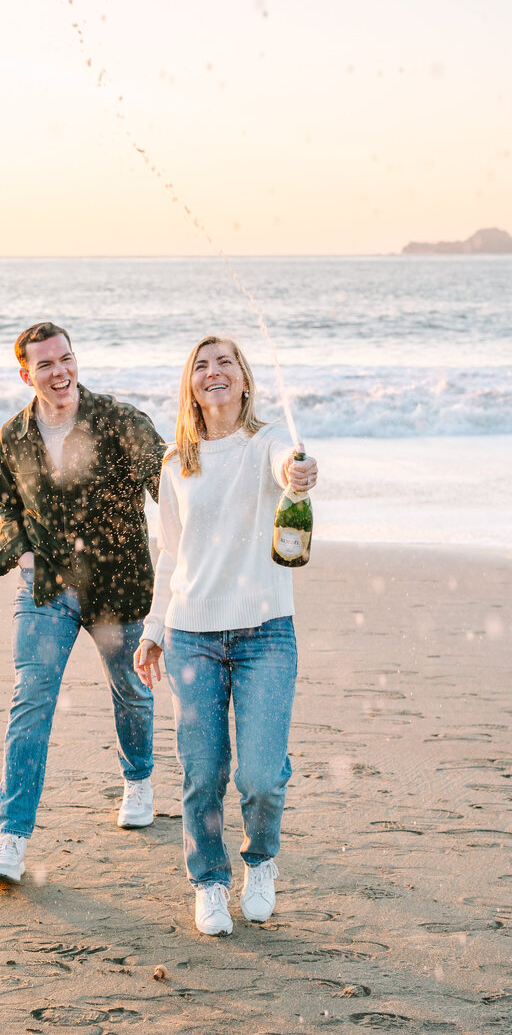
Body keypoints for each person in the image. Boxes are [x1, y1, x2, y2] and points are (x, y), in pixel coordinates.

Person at [134, 334, 318, 936]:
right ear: (191, 384)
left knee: (261, 777)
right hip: (191, 636)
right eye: (202, 366)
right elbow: (170, 553)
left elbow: (287, 471)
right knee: (203, 771)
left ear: (244, 379)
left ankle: (260, 863)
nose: (214, 373)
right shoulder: (174, 463)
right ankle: (209, 882)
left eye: (225, 364)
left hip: (266, 631)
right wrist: (154, 628)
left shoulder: (267, 444)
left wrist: (298, 475)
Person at [0, 321, 166, 884]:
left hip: (119, 584)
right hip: (47, 586)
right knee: (31, 699)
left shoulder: (121, 422)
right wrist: (20, 552)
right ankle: (10, 838)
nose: (59, 372)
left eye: (66, 359)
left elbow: (173, 480)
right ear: (25, 373)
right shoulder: (11, 438)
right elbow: (5, 504)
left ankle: (138, 780)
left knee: (131, 690)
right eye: (45, 364)